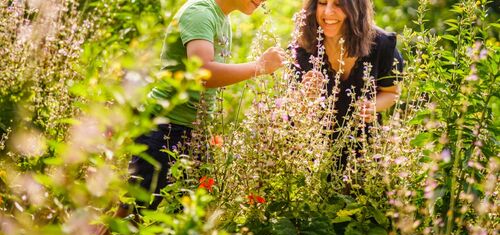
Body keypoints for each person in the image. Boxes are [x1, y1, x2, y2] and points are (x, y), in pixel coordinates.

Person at [125, 0, 286, 212]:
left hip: (194, 132)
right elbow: (202, 73)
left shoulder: (221, 17)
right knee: (133, 213)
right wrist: (259, 66)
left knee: (190, 218)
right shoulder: (200, 12)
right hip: (164, 128)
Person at [294, 0, 403, 168]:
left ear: (356, 8)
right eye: (323, 3)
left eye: (338, 4)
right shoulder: (302, 47)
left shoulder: (382, 45)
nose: (328, 12)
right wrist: (304, 98)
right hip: (313, 156)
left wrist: (373, 106)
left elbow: (391, 92)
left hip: (364, 154)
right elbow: (291, 113)